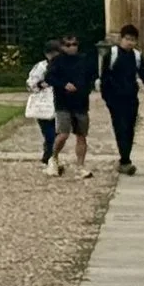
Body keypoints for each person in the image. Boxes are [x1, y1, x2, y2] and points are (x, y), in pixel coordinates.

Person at [98, 25, 144, 175]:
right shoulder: (111, 54)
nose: (130, 43)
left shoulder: (137, 56)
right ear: (122, 38)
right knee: (120, 127)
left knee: (130, 129)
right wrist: (106, 97)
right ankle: (125, 160)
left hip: (131, 97)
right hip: (115, 98)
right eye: (127, 39)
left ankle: (125, 158)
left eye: (133, 40)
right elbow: (104, 77)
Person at [47, 32, 97, 179]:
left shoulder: (83, 60)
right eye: (68, 45)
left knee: (81, 135)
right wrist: (63, 85)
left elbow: (91, 76)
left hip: (80, 102)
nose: (72, 48)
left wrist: (86, 88)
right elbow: (49, 77)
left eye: (74, 44)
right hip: (63, 103)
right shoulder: (57, 61)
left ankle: (80, 166)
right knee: (63, 134)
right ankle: (54, 157)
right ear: (62, 46)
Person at [26, 39, 60, 173]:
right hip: (44, 104)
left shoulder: (63, 66)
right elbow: (30, 84)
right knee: (49, 133)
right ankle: (50, 158)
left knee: (57, 133)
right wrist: (42, 84)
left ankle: (50, 157)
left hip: (59, 104)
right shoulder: (41, 67)